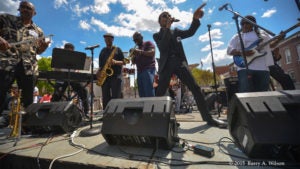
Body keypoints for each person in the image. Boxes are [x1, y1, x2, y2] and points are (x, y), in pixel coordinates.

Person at [153, 3, 226, 127]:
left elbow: (190, 32)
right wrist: (167, 28)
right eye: (164, 16)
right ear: (159, 21)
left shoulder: (176, 31)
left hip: (179, 63)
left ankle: (209, 119)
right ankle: (157, 121)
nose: (167, 17)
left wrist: (195, 19)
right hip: (166, 65)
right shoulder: (157, 35)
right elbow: (163, 47)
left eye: (169, 15)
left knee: (196, 88)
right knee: (160, 92)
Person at [0, 1, 49, 127]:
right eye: (23, 7)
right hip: (7, 63)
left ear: (34, 13)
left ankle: (25, 126)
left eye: (29, 8)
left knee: (27, 99)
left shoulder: (38, 31)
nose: (26, 10)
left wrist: (43, 48)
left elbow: (38, 51)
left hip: (29, 67)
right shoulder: (6, 19)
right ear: (19, 9)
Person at [227, 15, 283, 92]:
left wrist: (278, 40)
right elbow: (229, 50)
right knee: (245, 92)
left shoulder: (262, 34)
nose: (244, 25)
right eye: (242, 24)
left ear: (253, 24)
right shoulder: (237, 36)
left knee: (263, 93)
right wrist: (242, 52)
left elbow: (271, 45)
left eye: (247, 23)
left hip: (263, 68)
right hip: (244, 68)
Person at [51, 43, 89, 117]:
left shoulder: (75, 58)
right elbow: (55, 69)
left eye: (71, 51)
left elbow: (76, 69)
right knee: (57, 94)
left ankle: (86, 112)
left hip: (72, 79)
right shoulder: (59, 56)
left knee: (84, 91)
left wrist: (77, 70)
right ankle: (52, 113)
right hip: (61, 79)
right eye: (67, 51)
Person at [98, 33, 125, 109]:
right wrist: (98, 72)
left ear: (113, 39)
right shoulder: (102, 51)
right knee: (105, 98)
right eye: (106, 39)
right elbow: (100, 66)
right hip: (105, 77)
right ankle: (106, 115)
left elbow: (124, 62)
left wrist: (115, 62)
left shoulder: (117, 49)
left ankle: (116, 115)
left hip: (116, 76)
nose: (107, 40)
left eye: (109, 38)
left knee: (116, 98)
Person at [130, 32, 156, 97]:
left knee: (148, 91)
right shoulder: (137, 48)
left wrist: (140, 52)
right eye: (134, 40)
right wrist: (132, 55)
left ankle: (151, 106)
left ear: (141, 37)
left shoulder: (148, 43)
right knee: (142, 93)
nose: (136, 41)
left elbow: (152, 53)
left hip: (148, 69)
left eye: (137, 39)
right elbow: (133, 62)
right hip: (139, 71)